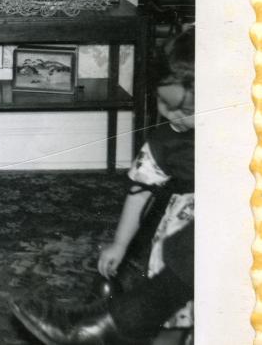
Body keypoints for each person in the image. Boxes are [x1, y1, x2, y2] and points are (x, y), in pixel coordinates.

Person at [11, 27, 195, 344]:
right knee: (171, 320)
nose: (174, 116)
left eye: (187, 110)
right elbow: (141, 191)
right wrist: (120, 244)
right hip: (179, 243)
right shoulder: (164, 143)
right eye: (165, 104)